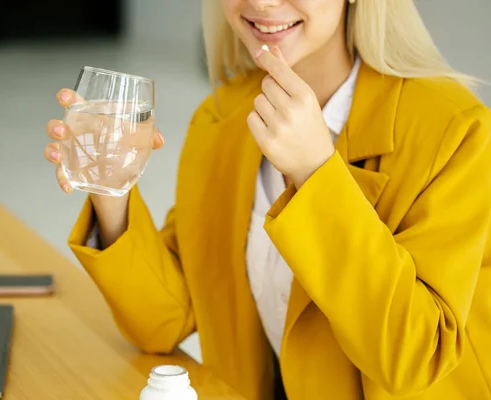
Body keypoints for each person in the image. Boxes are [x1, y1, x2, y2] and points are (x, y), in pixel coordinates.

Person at [44, 0, 491, 399]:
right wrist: (112, 190)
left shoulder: (454, 129)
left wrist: (315, 172)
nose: (261, 2)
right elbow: (165, 319)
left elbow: (417, 356)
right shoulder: (222, 119)